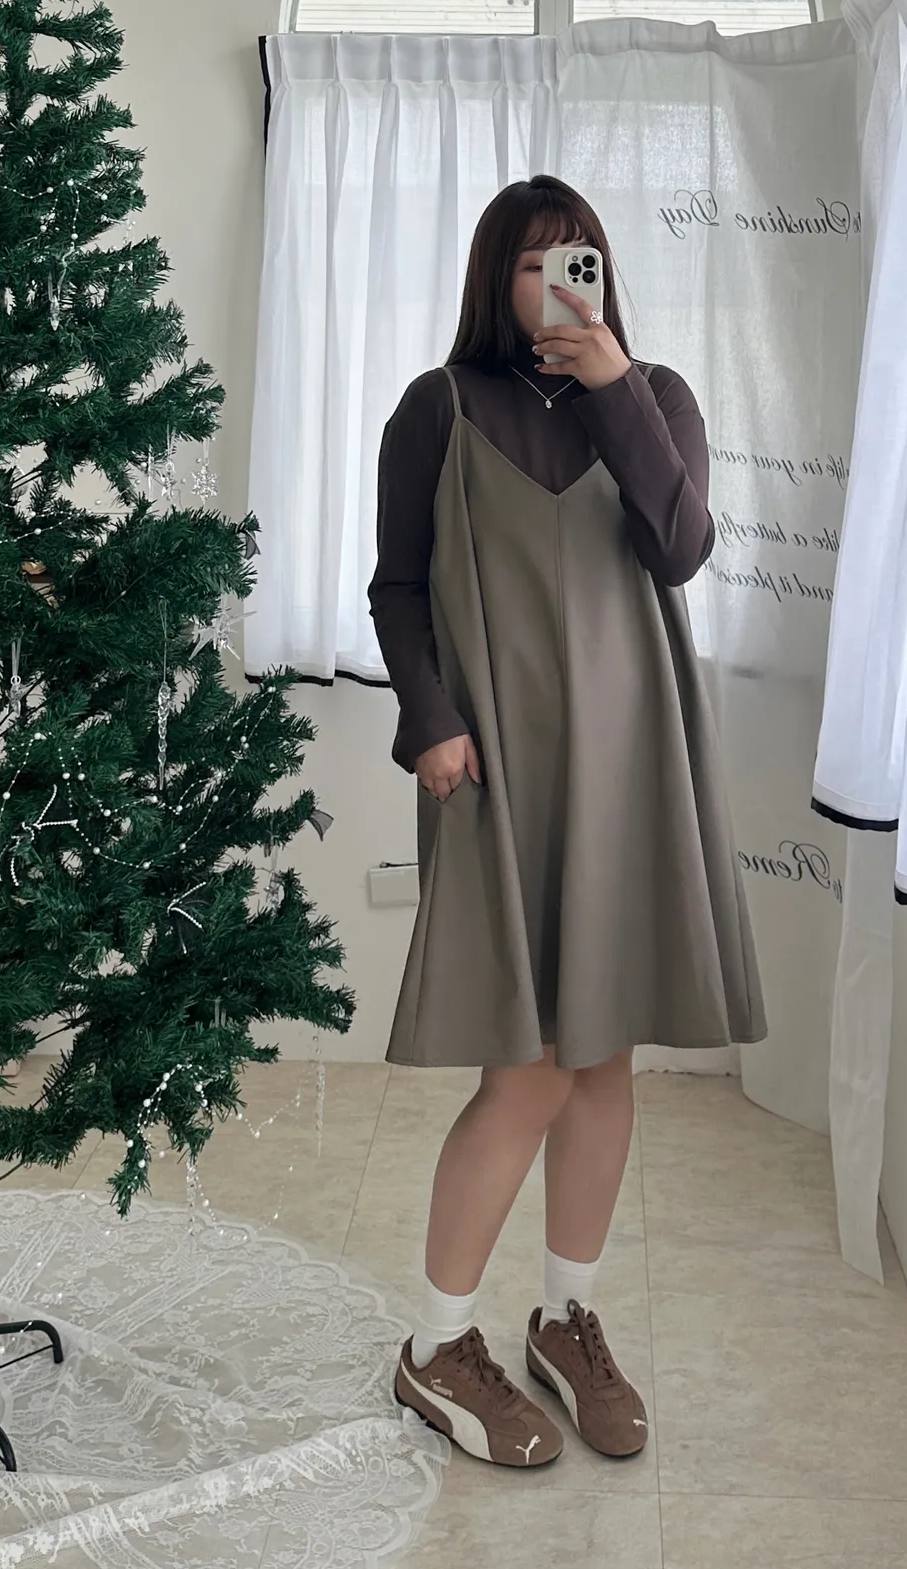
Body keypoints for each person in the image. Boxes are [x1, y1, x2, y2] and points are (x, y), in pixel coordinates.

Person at [369, 175, 766, 1469]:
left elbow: (681, 548)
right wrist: (430, 720)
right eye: (536, 262)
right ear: (498, 277)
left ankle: (565, 1318)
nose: (558, 283)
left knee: (601, 1060)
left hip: (633, 760)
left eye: (578, 258)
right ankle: (437, 1346)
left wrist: (615, 387)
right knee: (530, 1065)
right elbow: (398, 587)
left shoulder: (660, 400)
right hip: (498, 765)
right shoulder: (437, 407)